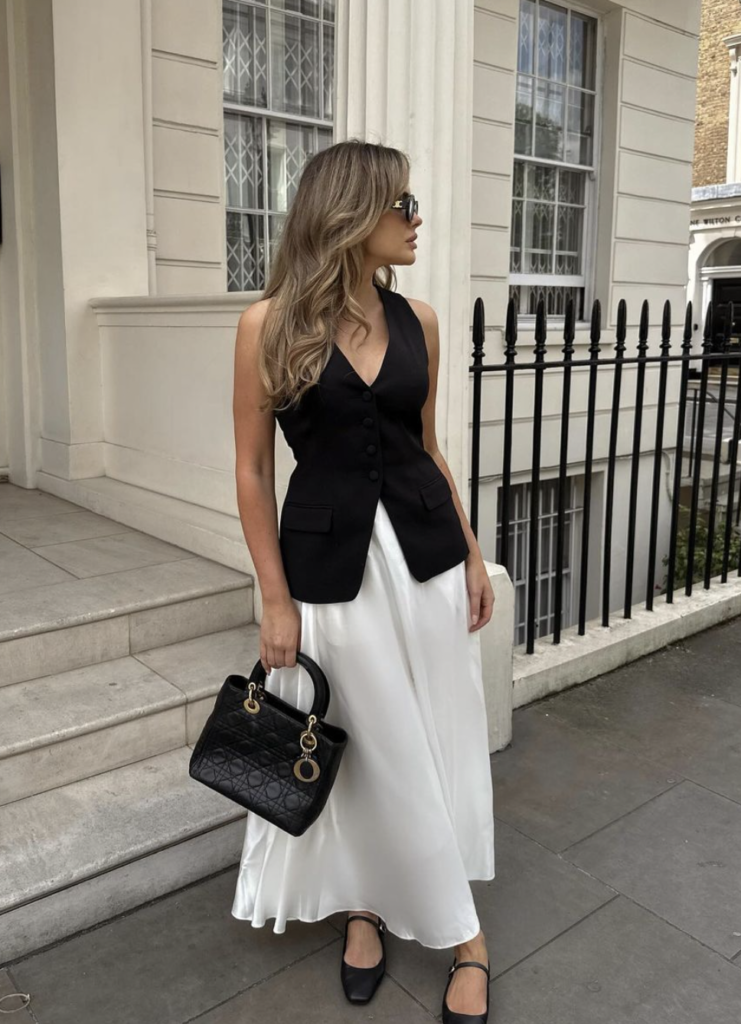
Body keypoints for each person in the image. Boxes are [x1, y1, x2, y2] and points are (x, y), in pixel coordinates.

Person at [230, 138, 496, 1023]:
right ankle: (365, 910)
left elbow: (426, 449)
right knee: (365, 742)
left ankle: (464, 934)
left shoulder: (417, 317)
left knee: (438, 729)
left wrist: (466, 549)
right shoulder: (267, 324)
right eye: (402, 205)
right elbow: (253, 472)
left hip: (423, 558)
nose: (415, 220)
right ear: (350, 213)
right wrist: (273, 599)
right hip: (331, 574)